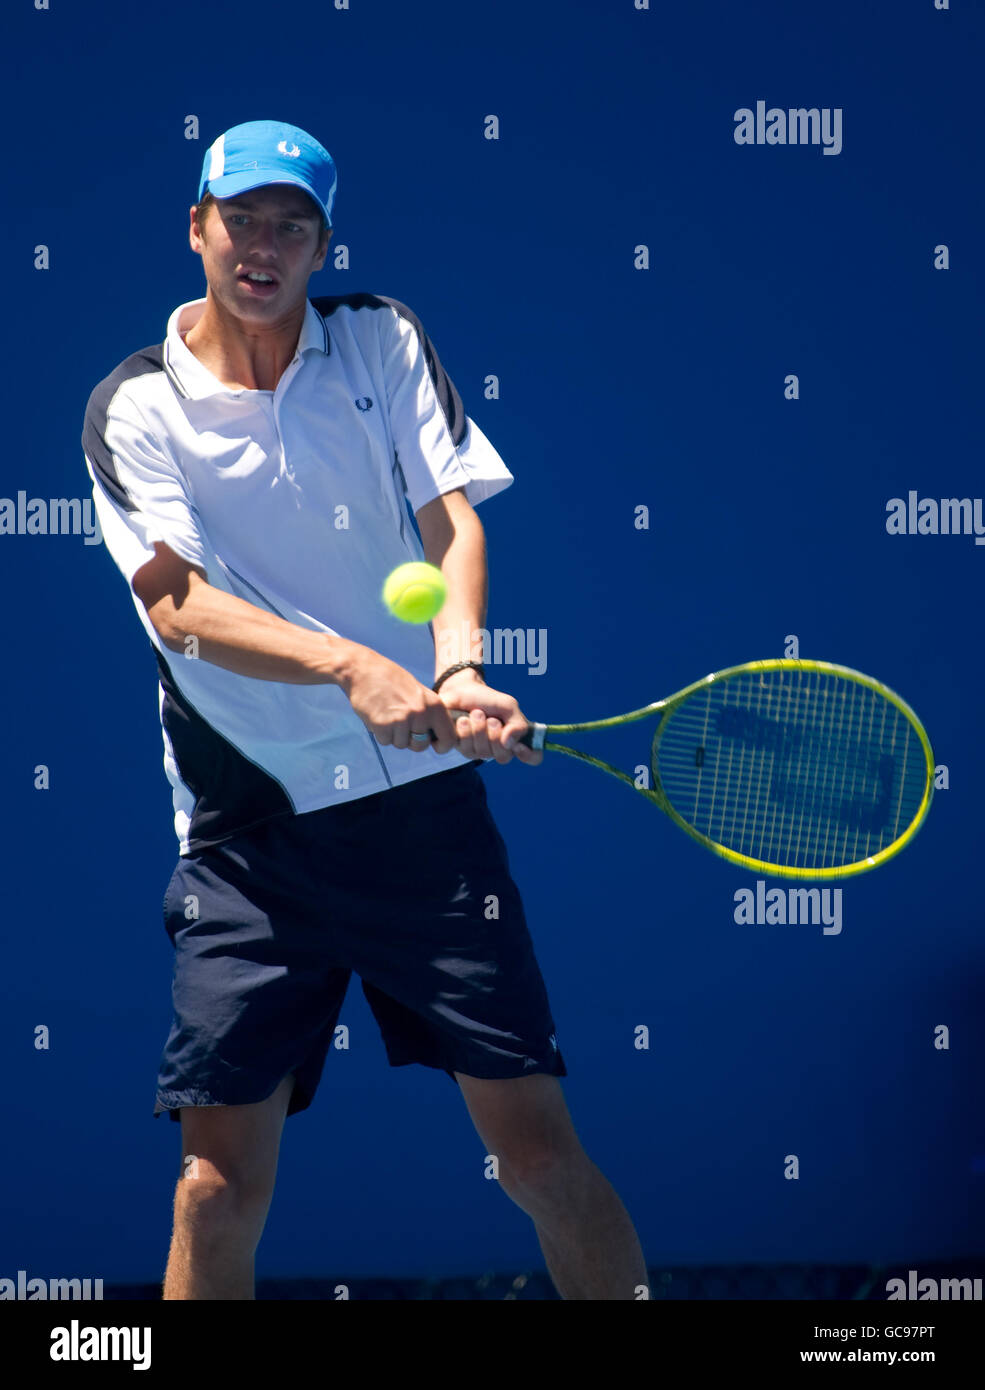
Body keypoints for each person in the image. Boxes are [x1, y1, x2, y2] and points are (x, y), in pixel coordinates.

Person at [82, 119, 648, 1300]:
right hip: (248, 840)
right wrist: (350, 665)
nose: (264, 244)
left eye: (293, 225)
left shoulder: (378, 340)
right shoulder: (135, 407)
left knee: (537, 1158)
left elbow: (452, 522)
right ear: (197, 228)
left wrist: (455, 671)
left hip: (420, 827)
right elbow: (180, 606)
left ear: (320, 246)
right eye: (241, 218)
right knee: (213, 1190)